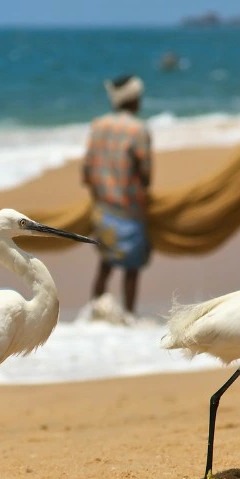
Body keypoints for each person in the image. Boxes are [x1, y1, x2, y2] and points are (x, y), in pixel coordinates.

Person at [82, 74, 152, 315]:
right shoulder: (138, 130)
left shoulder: (98, 125)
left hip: (102, 212)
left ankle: (94, 314)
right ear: (132, 100)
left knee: (104, 266)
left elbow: (86, 171)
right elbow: (146, 176)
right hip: (130, 212)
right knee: (131, 272)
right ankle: (129, 319)